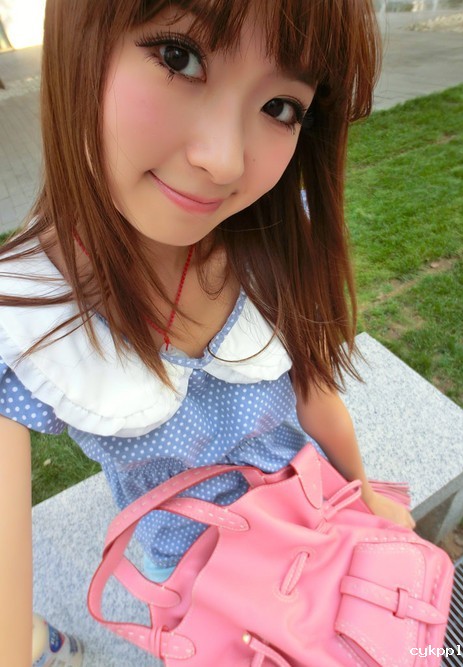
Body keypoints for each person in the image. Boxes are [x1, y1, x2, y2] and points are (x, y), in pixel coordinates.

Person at [0, 0, 415, 664]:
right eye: (178, 56)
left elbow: (315, 391)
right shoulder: (25, 319)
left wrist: (365, 500)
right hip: (193, 576)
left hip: (310, 514)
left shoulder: (269, 237)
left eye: (280, 107)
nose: (223, 161)